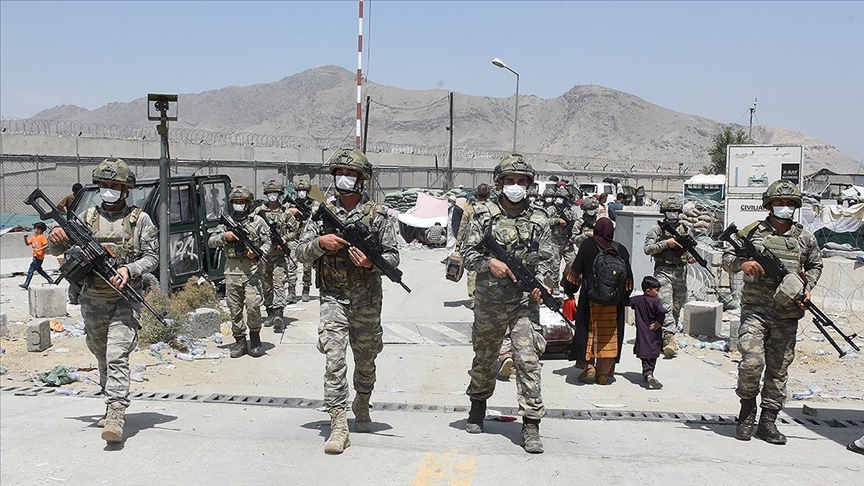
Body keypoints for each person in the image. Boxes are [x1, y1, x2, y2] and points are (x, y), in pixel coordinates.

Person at [295, 148, 400, 454]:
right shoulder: (322, 212)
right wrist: (320, 243)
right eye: (339, 173)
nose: (343, 178)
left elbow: (393, 258)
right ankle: (338, 424)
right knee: (334, 360)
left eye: (350, 174)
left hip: (367, 300)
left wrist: (370, 262)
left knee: (366, 360)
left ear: (362, 179)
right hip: (333, 298)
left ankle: (362, 400)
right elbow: (299, 252)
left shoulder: (378, 215)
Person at [47, 158, 158, 443]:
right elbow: (57, 250)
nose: (108, 190)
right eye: (104, 185)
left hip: (125, 299)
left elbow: (152, 257)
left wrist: (129, 269)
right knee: (100, 353)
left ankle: (116, 413)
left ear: (125, 189)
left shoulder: (140, 220)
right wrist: (55, 238)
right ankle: (110, 403)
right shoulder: (86, 218)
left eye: (114, 186)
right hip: (92, 298)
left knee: (117, 354)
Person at [460, 153, 554, 454]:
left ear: (529, 185)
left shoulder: (539, 219)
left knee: (528, 359)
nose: (516, 186)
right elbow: (467, 254)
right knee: (485, 357)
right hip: (489, 301)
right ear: (499, 184)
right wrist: (490, 263)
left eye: (521, 181)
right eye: (510, 180)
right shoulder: (483, 215)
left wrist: (544, 284)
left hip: (523, 302)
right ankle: (477, 405)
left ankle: (531, 423)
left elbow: (548, 259)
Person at [722, 179, 822, 445]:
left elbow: (815, 266)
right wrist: (743, 264)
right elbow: (726, 258)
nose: (785, 207)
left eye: (790, 203)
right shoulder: (752, 233)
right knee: (752, 362)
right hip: (755, 310)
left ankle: (768, 421)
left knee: (778, 370)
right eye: (779, 202)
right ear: (769, 205)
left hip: (786, 314)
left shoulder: (804, 237)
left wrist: (807, 288)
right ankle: (746, 411)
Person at [564, 218, 633, 385]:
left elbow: (575, 272)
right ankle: (603, 373)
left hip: (591, 299)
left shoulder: (588, 246)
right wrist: (623, 298)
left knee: (589, 331)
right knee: (610, 335)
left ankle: (589, 367)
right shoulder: (621, 249)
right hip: (613, 303)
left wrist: (569, 291)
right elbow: (628, 279)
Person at [208, 185, 271, 358]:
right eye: (236, 202)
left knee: (253, 306)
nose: (239, 204)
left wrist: (258, 253)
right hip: (232, 271)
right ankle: (240, 341)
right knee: (234, 308)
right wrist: (225, 237)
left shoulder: (257, 221)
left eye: (242, 201)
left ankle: (255, 337)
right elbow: (211, 242)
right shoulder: (226, 223)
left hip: (251, 271)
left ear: (248, 203)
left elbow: (268, 242)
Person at [643, 195, 694, 358]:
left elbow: (689, 249)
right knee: (666, 305)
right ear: (664, 212)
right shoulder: (657, 229)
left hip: (680, 272)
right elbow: (647, 249)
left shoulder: (685, 229)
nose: (672, 213)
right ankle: (669, 339)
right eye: (669, 210)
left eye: (675, 210)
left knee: (678, 306)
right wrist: (666, 243)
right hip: (663, 271)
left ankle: (665, 335)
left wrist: (690, 257)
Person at [252, 180, 299, 329]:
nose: (273, 196)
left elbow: (295, 230)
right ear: (266, 194)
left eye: (275, 193)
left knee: (278, 283)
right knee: (266, 285)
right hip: (264, 255)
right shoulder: (258, 212)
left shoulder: (286, 213)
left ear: (280, 195)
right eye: (270, 193)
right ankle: (270, 312)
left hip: (279, 256)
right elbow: (251, 228)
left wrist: (284, 239)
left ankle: (279, 313)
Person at [455, 183, 491, 309]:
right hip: (488, 244)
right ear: (489, 194)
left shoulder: (470, 208)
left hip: (471, 243)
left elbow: (462, 226)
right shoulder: (492, 208)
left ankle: (473, 298)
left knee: (472, 271)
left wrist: (458, 243)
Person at [630, 276, 668, 389]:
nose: (658, 293)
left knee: (645, 356)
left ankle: (647, 373)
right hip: (654, 334)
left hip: (642, 334)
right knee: (652, 355)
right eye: (656, 290)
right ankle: (649, 374)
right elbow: (662, 312)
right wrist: (658, 323)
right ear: (648, 290)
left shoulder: (637, 300)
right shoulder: (656, 301)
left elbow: (627, 302)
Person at [287, 176, 315, 302]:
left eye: (304, 191)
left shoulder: (313, 204)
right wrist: (292, 212)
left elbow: (317, 219)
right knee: (292, 265)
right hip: (294, 238)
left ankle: (306, 289)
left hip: (307, 238)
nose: (301, 193)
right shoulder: (292, 204)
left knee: (307, 266)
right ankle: (291, 291)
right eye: (299, 191)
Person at [20, 222, 53, 289]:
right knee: (39, 270)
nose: (34, 230)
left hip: (39, 257)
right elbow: (27, 244)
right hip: (35, 256)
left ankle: (26, 284)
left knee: (31, 270)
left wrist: (39, 249)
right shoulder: (34, 238)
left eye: (35, 229)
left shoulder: (42, 237)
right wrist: (25, 238)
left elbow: (47, 245)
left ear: (39, 230)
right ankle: (49, 279)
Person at [442, 194, 463, 263]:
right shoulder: (449, 209)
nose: (448, 202)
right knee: (449, 241)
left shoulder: (458, 209)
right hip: (449, 228)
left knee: (453, 241)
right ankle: (449, 256)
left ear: (453, 202)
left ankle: (451, 256)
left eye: (449, 201)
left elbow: (462, 218)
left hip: (455, 228)